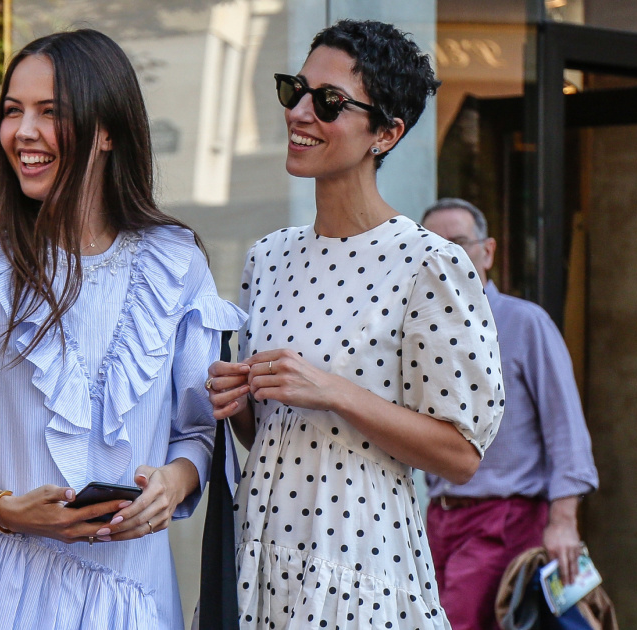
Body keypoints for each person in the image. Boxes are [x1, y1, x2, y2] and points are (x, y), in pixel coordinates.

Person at [0, 29, 245, 629]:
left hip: (128, 598)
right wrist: (4, 507)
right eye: (12, 111)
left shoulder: (176, 263)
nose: (23, 132)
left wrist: (172, 483)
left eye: (50, 112)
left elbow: (198, 430)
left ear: (108, 130)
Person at [207, 20, 505, 629]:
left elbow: (460, 454)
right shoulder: (268, 257)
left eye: (329, 101)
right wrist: (238, 402)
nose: (300, 112)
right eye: (295, 90)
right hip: (263, 556)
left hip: (361, 563)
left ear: (386, 133)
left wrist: (333, 391)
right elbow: (274, 436)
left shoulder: (428, 263)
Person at [420, 198, 599, 630]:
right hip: (436, 520)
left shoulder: (526, 323)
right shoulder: (418, 331)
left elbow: (566, 430)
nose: (445, 258)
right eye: (431, 248)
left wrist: (564, 523)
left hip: (505, 520)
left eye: (458, 244)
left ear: (487, 252)